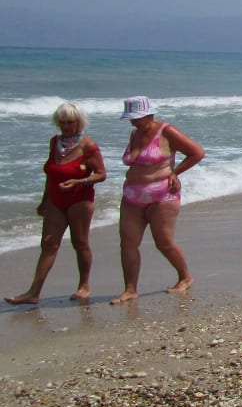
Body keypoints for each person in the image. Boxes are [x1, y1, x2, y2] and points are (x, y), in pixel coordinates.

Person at [5, 102, 106, 305]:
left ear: (79, 122)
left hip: (80, 199)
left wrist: (79, 181)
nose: (66, 127)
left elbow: (101, 174)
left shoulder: (88, 145)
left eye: (70, 122)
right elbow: (51, 175)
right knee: (48, 244)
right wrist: (44, 201)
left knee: (80, 242)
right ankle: (33, 292)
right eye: (62, 122)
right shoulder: (55, 142)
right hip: (55, 199)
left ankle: (84, 286)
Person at [111, 96, 204, 304]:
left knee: (163, 242)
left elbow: (196, 153)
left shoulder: (166, 131)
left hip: (162, 195)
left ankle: (185, 277)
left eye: (137, 118)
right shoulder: (134, 134)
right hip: (132, 196)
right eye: (131, 119)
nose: (133, 122)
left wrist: (175, 172)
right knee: (127, 243)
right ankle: (130, 289)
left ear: (150, 114)